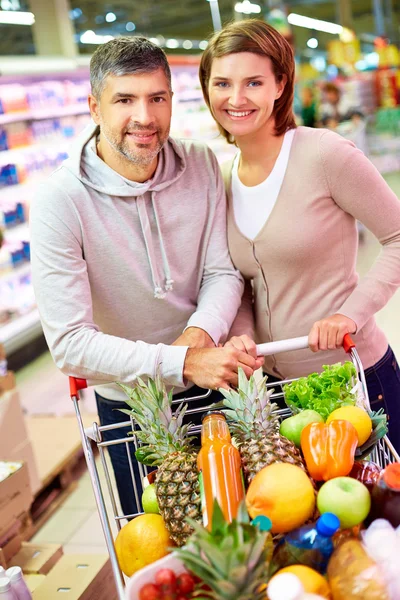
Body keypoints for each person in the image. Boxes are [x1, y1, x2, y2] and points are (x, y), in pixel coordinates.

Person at [30, 37, 263, 516]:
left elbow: (222, 271)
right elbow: (69, 343)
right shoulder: (59, 201)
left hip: (212, 383)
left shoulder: (199, 163)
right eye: (125, 100)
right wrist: (178, 365)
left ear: (172, 100)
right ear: (94, 106)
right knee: (160, 541)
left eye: (157, 98)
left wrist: (195, 344)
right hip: (132, 408)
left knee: (248, 523)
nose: (145, 117)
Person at [199, 19, 400, 453]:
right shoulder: (222, 179)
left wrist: (348, 315)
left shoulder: (324, 154)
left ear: (280, 85)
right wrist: (241, 334)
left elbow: (398, 238)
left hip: (355, 378)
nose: (236, 99)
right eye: (222, 84)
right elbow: (243, 283)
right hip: (277, 396)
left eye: (253, 81)